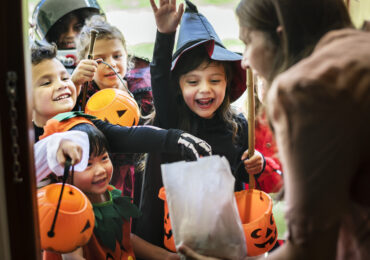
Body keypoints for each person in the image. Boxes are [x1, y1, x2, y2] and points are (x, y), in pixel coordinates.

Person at [180, 0, 370, 259]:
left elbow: (309, 248)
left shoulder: (306, 90)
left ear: (281, 33)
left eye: (248, 42)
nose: (245, 61)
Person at [134, 0, 271, 251]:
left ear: (228, 83)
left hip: (222, 229)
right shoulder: (171, 118)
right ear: (179, 86)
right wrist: (165, 35)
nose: (205, 89)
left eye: (215, 80)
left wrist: (255, 162)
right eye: (193, 82)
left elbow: (241, 170)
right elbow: (160, 75)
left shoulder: (239, 124)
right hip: (176, 231)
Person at [31, 43, 212, 189]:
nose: (62, 85)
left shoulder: (80, 123)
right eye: (47, 82)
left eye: (64, 78)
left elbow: (127, 135)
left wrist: (176, 138)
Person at [36, 114, 181, 260]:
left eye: (104, 158)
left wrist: (168, 257)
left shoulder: (110, 193)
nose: (100, 170)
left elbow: (124, 238)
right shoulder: (67, 210)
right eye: (88, 164)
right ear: (61, 173)